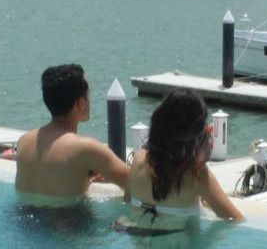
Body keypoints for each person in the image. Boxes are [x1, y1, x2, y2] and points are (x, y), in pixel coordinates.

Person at [116, 89, 244, 234]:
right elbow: (236, 220)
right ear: (194, 136)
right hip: (184, 247)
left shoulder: (138, 160)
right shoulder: (197, 175)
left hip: (142, 244)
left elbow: (126, 206)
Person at [15, 64, 130, 206]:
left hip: (22, 218)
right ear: (81, 103)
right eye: (88, 93)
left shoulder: (24, 141)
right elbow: (138, 183)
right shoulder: (86, 148)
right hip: (69, 219)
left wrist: (85, 174)